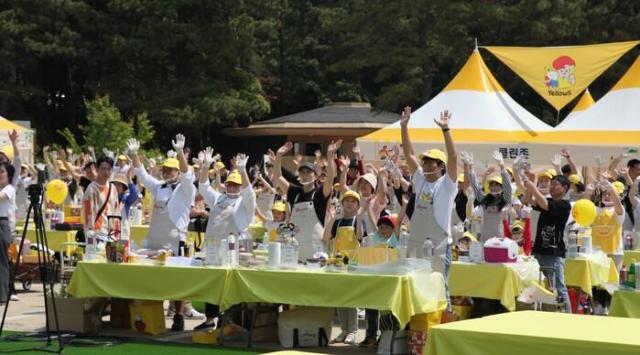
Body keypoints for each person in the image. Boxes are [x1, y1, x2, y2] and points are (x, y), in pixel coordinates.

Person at [128, 135, 195, 331]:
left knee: (177, 280)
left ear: (177, 172)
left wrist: (181, 153)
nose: (166, 173)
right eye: (164, 169)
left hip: (175, 241)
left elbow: (187, 174)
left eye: (170, 170)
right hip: (155, 240)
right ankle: (148, 310)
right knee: (150, 277)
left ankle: (179, 315)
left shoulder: (185, 189)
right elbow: (142, 175)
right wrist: (134, 155)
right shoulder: (158, 187)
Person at [400, 106, 458, 275]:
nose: (424, 164)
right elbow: (409, 154)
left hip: (439, 244)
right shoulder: (420, 179)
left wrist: (445, 129)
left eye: (429, 161)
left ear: (440, 165)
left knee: (440, 285)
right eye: (424, 161)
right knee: (415, 281)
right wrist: (404, 127)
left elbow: (453, 158)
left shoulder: (447, 184)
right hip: (417, 241)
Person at [273, 140, 338, 260]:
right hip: (295, 250)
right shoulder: (294, 193)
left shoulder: (319, 193)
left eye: (308, 172)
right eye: (302, 172)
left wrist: (329, 156)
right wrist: (279, 155)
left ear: (315, 175)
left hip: (317, 251)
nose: (305, 174)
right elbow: (278, 176)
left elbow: (330, 177)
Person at [523, 175, 572, 313]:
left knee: (559, 287)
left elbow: (545, 204)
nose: (551, 186)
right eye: (551, 184)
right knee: (539, 285)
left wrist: (533, 187)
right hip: (539, 250)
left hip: (554, 252)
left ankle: (569, 317)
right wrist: (530, 184)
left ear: (565, 188)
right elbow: (527, 201)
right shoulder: (548, 200)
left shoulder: (564, 204)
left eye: (555, 184)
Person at [323, 190, 364, 345]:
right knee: (340, 298)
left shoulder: (357, 221)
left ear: (358, 205)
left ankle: (353, 331)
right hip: (338, 264)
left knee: (351, 300)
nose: (349, 203)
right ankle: (344, 330)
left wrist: (360, 217)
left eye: (353, 201)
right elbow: (326, 237)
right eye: (346, 200)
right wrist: (333, 217)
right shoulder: (338, 222)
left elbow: (360, 236)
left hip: (353, 265)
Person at [463, 150, 512, 242]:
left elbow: (508, 186)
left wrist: (502, 166)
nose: (494, 187)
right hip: (484, 239)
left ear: (501, 188)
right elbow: (475, 187)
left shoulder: (505, 199)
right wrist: (470, 168)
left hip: (501, 239)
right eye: (492, 185)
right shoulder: (485, 199)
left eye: (497, 185)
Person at [82, 156, 121, 235]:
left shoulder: (113, 188)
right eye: (103, 169)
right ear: (97, 169)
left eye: (108, 169)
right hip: (97, 234)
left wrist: (117, 232)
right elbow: (89, 213)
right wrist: (90, 232)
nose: (106, 172)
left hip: (111, 233)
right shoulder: (92, 189)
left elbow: (116, 212)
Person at [0, 161, 16, 304]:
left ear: (9, 174)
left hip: (2, 224)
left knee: (2, 261)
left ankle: (3, 295)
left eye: (2, 172)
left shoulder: (9, 188)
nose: (0, 174)